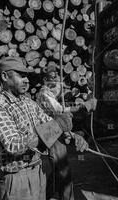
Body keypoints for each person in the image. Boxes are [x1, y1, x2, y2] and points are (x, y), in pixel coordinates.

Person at [0, 56, 88, 200]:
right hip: (17, 178)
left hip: (38, 170)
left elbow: (48, 122)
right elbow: (13, 145)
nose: (27, 80)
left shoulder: (28, 102)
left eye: (27, 76)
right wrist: (55, 126)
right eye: (21, 75)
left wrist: (73, 136)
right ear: (4, 76)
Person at [36, 66, 94, 200]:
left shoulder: (50, 93)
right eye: (51, 78)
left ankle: (45, 195)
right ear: (45, 80)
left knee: (58, 170)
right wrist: (82, 106)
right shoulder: (44, 94)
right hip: (51, 132)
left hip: (55, 131)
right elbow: (60, 111)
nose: (55, 80)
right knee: (63, 169)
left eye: (56, 77)